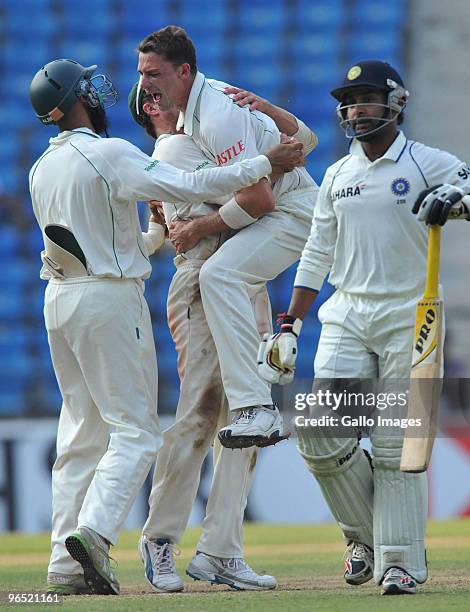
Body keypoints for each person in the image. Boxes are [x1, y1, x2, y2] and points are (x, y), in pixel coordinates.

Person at [28, 57, 303, 597]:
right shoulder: (110, 152)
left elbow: (123, 242)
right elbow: (196, 180)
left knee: (81, 432)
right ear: (78, 98)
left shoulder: (43, 167)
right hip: (108, 299)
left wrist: (157, 231)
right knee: (137, 433)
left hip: (60, 298)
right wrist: (262, 163)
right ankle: (97, 532)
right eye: (89, 86)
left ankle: (64, 561)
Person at [257, 60, 470, 595]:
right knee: (316, 432)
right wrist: (290, 322)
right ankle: (364, 537)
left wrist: (463, 201)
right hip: (347, 315)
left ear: (396, 103)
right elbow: (317, 252)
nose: (357, 109)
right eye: (350, 100)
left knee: (394, 446)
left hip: (411, 317)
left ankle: (400, 562)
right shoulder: (338, 174)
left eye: (368, 98)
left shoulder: (427, 163)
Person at [128, 83, 318, 592]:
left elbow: (262, 180)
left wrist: (273, 156)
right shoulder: (171, 148)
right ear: (151, 115)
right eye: (157, 102)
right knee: (201, 411)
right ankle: (161, 540)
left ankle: (222, 551)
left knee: (243, 423)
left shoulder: (190, 145)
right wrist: (273, 162)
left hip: (234, 275)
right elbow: (256, 196)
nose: (169, 106)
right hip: (200, 276)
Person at [136, 25, 319, 450]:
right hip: (294, 203)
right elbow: (305, 143)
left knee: (219, 276)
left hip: (295, 211)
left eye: (154, 74)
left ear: (184, 72)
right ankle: (259, 398)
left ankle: (257, 408)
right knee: (223, 276)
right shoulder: (205, 102)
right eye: (142, 74)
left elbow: (260, 200)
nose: (145, 85)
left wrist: (198, 227)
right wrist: (271, 114)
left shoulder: (215, 116)